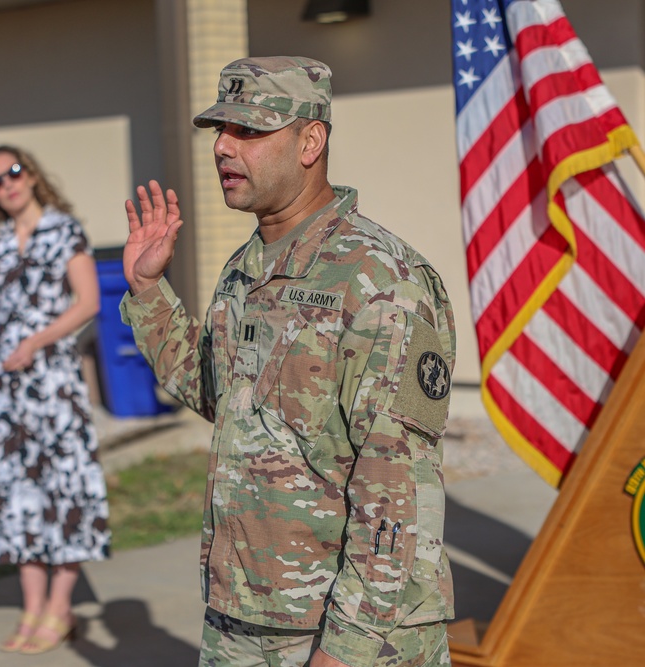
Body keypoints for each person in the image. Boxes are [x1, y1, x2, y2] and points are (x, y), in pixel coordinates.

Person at [121, 57, 456, 667]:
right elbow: (223, 398)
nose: (223, 147)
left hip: (349, 632)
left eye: (248, 131)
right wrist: (148, 294)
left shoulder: (379, 280)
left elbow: (399, 489)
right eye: (220, 131)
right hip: (246, 615)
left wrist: (346, 650)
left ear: (311, 140)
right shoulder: (246, 269)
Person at [0, 145, 110, 655]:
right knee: (18, 491)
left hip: (52, 380)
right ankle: (32, 607)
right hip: (5, 387)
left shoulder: (64, 229)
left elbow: (87, 302)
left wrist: (34, 342)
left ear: (32, 174)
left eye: (13, 173)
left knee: (63, 487)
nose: (7, 185)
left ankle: (59, 609)